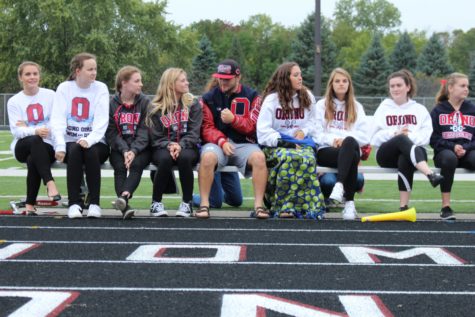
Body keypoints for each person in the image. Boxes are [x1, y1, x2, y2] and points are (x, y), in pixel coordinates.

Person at [198, 59, 268, 219]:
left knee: (259, 158)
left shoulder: (253, 96)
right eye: (220, 78)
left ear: (238, 77)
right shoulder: (208, 98)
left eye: (227, 79)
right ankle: (204, 205)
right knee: (207, 157)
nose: (222, 81)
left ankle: (259, 206)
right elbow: (206, 127)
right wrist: (222, 141)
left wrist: (234, 120)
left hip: (243, 144)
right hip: (217, 144)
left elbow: (253, 126)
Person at [257, 61, 325, 219]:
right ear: (285, 79)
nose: (300, 78)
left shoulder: (307, 97)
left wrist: (303, 131)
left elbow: (314, 123)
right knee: (288, 158)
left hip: (301, 143)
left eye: (300, 74)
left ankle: (308, 207)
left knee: (307, 158)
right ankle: (283, 206)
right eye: (296, 75)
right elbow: (263, 131)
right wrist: (284, 142)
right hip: (276, 145)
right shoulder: (272, 100)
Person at [370, 69, 443, 211]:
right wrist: (394, 133)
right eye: (392, 86)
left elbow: (426, 137)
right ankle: (429, 174)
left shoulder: (419, 109)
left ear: (408, 87)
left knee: (406, 156)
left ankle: (403, 207)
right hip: (387, 155)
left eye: (399, 85)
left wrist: (409, 137)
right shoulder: (383, 108)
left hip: (413, 154)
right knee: (401, 138)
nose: (395, 89)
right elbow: (373, 138)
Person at [51, 52, 110, 219]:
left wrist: (89, 139)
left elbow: (102, 120)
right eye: (89, 69)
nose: (94, 73)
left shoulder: (101, 88)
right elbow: (58, 119)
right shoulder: (64, 88)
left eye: (95, 69)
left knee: (90, 151)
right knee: (76, 150)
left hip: (97, 142)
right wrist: (60, 145)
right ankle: (74, 203)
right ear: (78, 71)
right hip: (71, 141)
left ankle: (94, 203)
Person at [314, 67, 370, 220]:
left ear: (349, 84)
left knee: (351, 143)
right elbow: (316, 133)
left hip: (350, 149)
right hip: (327, 151)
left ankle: (339, 186)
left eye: (344, 81)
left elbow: (365, 136)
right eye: (337, 81)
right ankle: (349, 204)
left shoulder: (357, 107)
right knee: (351, 154)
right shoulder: (321, 105)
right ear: (331, 84)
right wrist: (333, 140)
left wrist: (345, 139)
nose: (341, 84)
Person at [146, 68, 202, 217]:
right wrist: (169, 145)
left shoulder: (193, 104)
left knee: (184, 158)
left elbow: (194, 132)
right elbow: (155, 137)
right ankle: (156, 202)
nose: (187, 83)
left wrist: (181, 145)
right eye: (183, 80)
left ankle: (187, 203)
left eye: (186, 79)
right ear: (171, 84)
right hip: (162, 147)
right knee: (165, 158)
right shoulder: (155, 107)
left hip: (188, 146)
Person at [7, 61, 61, 215]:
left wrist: (30, 128)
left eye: (35, 74)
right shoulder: (14, 101)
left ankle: (30, 204)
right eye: (28, 74)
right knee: (35, 140)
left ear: (39, 76)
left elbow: (57, 121)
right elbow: (17, 131)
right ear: (20, 78)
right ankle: (50, 183)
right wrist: (36, 130)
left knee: (33, 159)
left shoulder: (50, 95)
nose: (32, 77)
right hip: (22, 146)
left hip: (47, 145)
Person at [106, 66, 151, 219]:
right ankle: (125, 206)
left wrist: (134, 150)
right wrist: (125, 150)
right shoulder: (112, 103)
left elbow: (145, 131)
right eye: (137, 81)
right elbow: (111, 132)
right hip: (119, 149)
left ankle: (123, 199)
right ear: (124, 83)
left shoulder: (145, 102)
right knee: (119, 167)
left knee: (136, 165)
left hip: (141, 149)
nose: (141, 84)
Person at [192, 77, 243, 209]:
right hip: (213, 150)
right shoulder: (206, 103)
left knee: (236, 200)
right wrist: (220, 141)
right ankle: (191, 198)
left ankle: (218, 194)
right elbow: (206, 130)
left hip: (227, 149)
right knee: (215, 202)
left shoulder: (233, 104)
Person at [430, 73, 475, 220]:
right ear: (450, 88)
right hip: (445, 153)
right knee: (449, 159)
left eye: (467, 86)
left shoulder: (472, 109)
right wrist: (452, 146)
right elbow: (433, 138)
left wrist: (466, 148)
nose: (466, 89)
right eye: (462, 86)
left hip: (467, 152)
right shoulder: (438, 110)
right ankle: (446, 207)